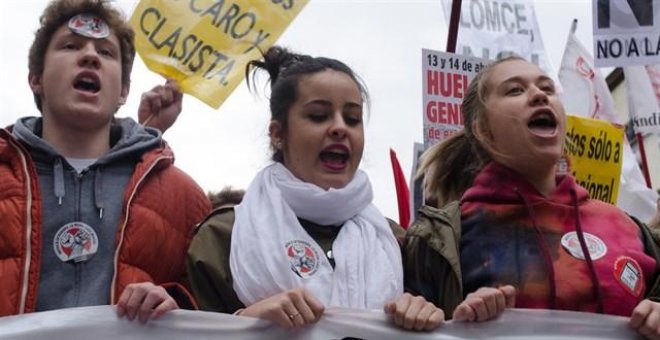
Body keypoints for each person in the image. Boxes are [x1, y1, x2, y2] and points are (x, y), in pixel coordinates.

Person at [186, 46, 511, 331]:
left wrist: (429, 314)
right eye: (318, 115)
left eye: (353, 118)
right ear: (277, 134)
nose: (340, 127)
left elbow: (438, 321)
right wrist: (246, 323)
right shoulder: (223, 236)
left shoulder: (398, 243)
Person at [405, 56, 660, 337]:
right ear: (483, 130)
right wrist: (455, 320)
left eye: (548, 89)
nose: (539, 95)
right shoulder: (442, 240)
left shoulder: (628, 228)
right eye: (515, 90)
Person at [0, 0, 211, 324]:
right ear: (36, 79)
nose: (89, 56)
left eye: (106, 52)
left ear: (124, 91)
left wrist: (176, 302)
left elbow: (215, 304)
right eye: (70, 46)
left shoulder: (183, 197)